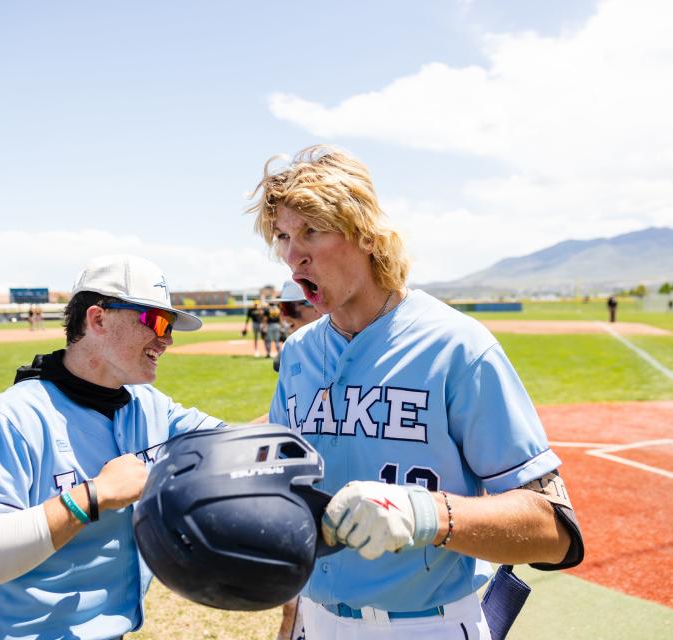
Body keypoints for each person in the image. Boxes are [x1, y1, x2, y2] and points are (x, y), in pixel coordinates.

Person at [249, 145, 583, 640]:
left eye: (312, 231)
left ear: (364, 232)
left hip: (428, 626)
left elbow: (553, 531)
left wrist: (427, 514)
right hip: (313, 622)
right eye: (282, 235)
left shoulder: (457, 346)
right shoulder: (299, 351)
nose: (293, 253)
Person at [0, 254, 224, 640]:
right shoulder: (8, 420)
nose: (166, 339)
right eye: (157, 321)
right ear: (98, 319)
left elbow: (234, 441)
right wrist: (90, 498)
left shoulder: (150, 406)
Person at [270, 280, 323, 373]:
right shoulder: (293, 344)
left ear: (316, 307)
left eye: (289, 309)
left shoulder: (336, 341)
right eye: (281, 308)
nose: (284, 317)